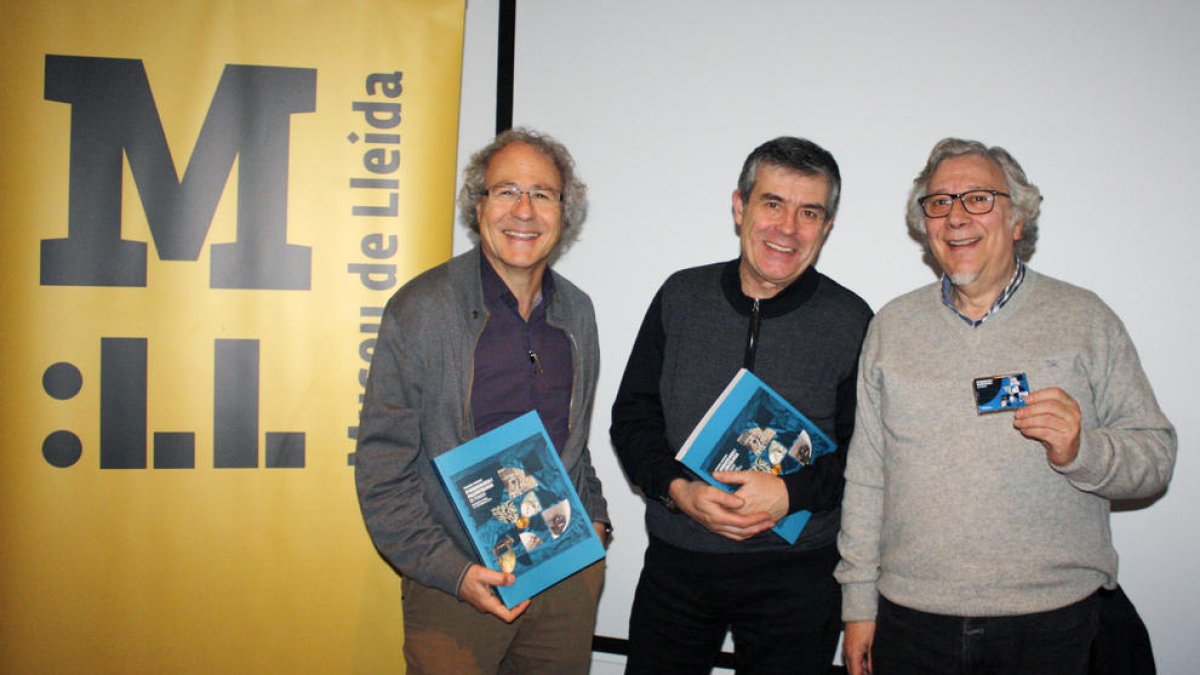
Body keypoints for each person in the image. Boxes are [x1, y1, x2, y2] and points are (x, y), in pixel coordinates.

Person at [835, 138, 1177, 675]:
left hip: (1052, 624)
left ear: (1018, 219)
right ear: (925, 225)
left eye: (978, 198)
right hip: (912, 622)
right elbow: (866, 476)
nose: (956, 217)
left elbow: (1156, 457)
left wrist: (1082, 450)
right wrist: (858, 604)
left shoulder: (1085, 319)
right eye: (940, 202)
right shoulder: (891, 328)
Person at [611, 137, 872, 673]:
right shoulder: (680, 296)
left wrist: (791, 493)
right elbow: (633, 418)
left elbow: (868, 457)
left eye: (809, 212)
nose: (788, 228)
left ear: (826, 226)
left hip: (798, 577)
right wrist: (678, 491)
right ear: (739, 206)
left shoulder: (852, 321)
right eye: (772, 203)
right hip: (679, 566)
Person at [355, 128, 610, 674]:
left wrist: (596, 520)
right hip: (455, 588)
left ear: (564, 211)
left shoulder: (578, 313)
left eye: (542, 194)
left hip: (563, 576)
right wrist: (452, 572)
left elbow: (574, 444)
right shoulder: (420, 310)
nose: (524, 210)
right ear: (479, 204)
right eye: (506, 191)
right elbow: (382, 468)